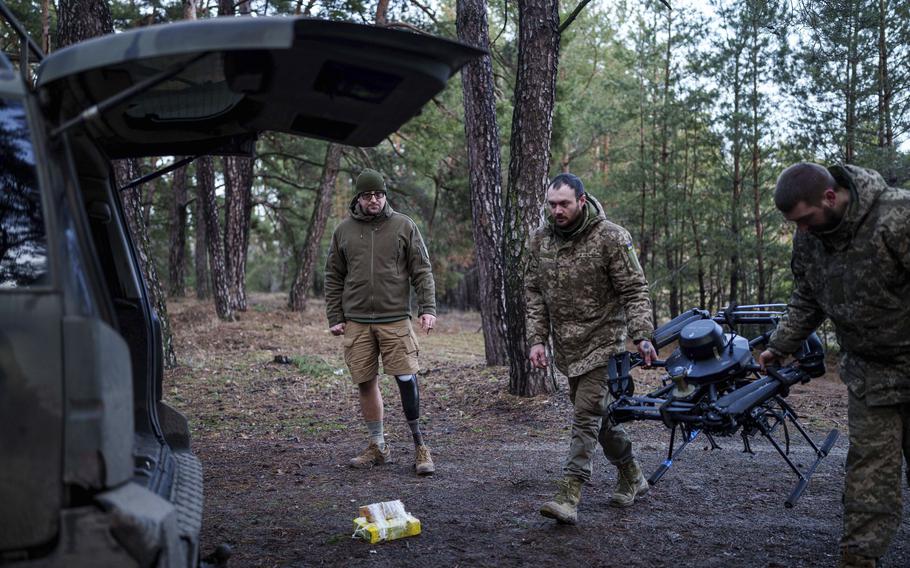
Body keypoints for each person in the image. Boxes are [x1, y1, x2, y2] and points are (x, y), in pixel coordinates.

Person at [758, 163, 910, 568]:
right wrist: (781, 345)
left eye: (805, 220)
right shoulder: (809, 238)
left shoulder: (896, 216)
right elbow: (808, 295)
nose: (802, 230)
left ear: (830, 197)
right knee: (868, 471)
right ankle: (858, 557)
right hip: (870, 374)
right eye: (795, 224)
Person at [526, 173, 658, 525]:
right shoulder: (540, 241)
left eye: (564, 204)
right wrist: (537, 338)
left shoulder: (611, 237)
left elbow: (634, 290)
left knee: (585, 416)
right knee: (602, 421)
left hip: (605, 343)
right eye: (552, 204)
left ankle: (569, 493)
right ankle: (632, 474)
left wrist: (642, 334)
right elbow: (534, 292)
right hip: (568, 348)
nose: (557, 211)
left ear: (581, 201)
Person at [324, 168, 437, 476]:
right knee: (365, 380)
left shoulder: (403, 225)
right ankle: (378, 445)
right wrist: (335, 316)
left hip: (395, 319)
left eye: (378, 194)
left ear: (385, 196)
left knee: (405, 378)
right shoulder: (343, 231)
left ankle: (419, 446)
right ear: (358, 198)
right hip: (357, 321)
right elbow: (334, 275)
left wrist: (428, 308)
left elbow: (422, 270)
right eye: (367, 195)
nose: (373, 200)